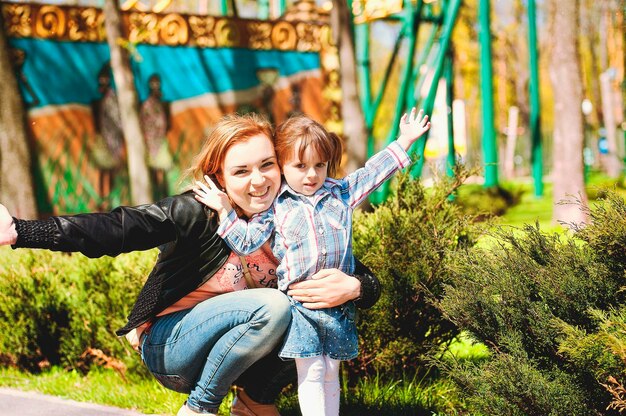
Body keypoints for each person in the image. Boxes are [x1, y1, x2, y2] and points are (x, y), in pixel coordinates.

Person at [0, 113, 381, 416]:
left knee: (315, 309)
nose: (259, 180)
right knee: (277, 305)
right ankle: (200, 407)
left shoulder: (293, 214)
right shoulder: (193, 212)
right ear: (218, 178)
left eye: (267, 165)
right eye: (241, 171)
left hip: (242, 346)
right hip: (174, 346)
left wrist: (358, 287)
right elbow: (117, 228)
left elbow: (347, 266)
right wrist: (20, 231)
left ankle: (253, 399)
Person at [193, 108, 431, 415]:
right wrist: (225, 212)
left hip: (338, 305)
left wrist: (405, 140)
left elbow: (373, 172)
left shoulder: (340, 193)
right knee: (312, 370)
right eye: (300, 166)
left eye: (320, 165)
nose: (311, 174)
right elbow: (247, 240)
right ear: (282, 164)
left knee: (331, 370)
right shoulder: (276, 205)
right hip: (300, 306)